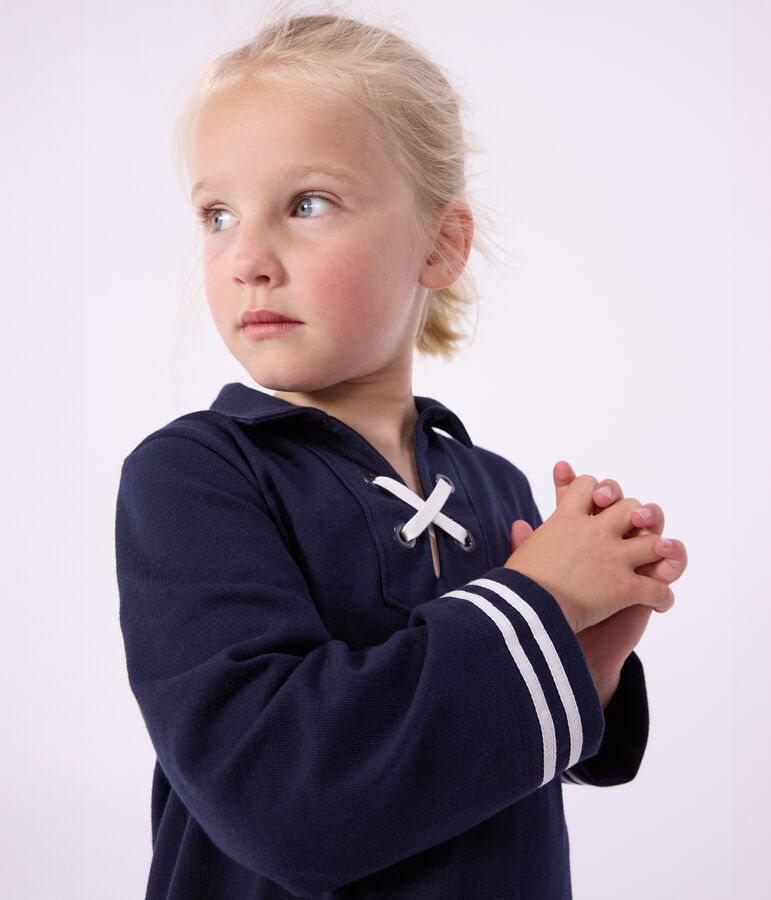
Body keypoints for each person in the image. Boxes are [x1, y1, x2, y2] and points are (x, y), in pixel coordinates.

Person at [116, 12, 687, 899]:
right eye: (217, 213)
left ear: (440, 243)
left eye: (307, 203)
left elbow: (502, 773)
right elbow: (284, 802)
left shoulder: (491, 484)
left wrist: (593, 659)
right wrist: (540, 604)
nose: (247, 259)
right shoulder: (193, 475)